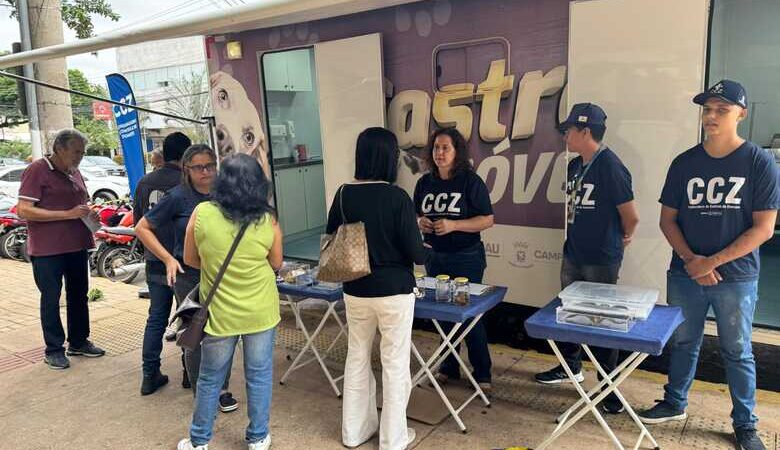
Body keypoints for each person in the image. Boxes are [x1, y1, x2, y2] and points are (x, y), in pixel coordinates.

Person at [638, 80, 779, 450]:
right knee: (684, 341)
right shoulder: (684, 163)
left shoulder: (758, 162)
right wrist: (691, 261)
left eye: (722, 109)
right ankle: (674, 402)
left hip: (736, 277)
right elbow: (667, 220)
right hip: (686, 273)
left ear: (741, 114)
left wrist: (710, 263)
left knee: (737, 350)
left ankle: (745, 424)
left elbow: (764, 228)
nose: (711, 116)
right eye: (707, 109)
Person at [533, 103, 639, 414]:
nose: (564, 135)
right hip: (574, 253)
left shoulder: (611, 166)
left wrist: (623, 239)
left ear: (585, 132)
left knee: (604, 321)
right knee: (570, 312)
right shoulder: (575, 165)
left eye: (568, 130)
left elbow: (631, 216)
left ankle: (608, 386)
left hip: (600, 258)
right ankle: (570, 366)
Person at [330, 128, 428, 450]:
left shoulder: (343, 194)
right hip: (395, 293)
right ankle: (392, 439)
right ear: (389, 158)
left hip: (355, 290)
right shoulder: (397, 197)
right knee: (394, 362)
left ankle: (354, 432)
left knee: (357, 357)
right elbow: (416, 253)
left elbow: (333, 239)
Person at [177, 153, 282, 450]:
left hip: (220, 313)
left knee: (210, 378)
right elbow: (276, 263)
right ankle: (258, 437)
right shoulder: (267, 219)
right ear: (259, 185)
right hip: (261, 311)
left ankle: (199, 441)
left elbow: (189, 259)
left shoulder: (202, 213)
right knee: (259, 375)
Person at [137, 145, 238, 411]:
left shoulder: (224, 194)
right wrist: (168, 258)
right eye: (198, 167)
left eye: (210, 165)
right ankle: (202, 392)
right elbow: (142, 227)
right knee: (195, 335)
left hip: (222, 275)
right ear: (187, 170)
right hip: (189, 276)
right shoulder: (177, 197)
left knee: (224, 333)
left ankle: (223, 388)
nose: (205, 172)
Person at [17, 129, 105, 370]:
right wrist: (65, 215)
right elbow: (24, 210)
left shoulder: (75, 172)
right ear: (60, 148)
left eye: (83, 152)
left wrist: (89, 212)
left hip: (76, 244)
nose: (80, 157)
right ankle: (54, 349)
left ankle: (78, 341)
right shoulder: (37, 170)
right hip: (48, 249)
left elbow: (80, 204)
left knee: (79, 294)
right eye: (77, 151)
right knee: (51, 298)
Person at [413, 127, 494, 390]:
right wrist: (420, 222)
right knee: (443, 314)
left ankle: (482, 373)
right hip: (435, 257)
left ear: (457, 151)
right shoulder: (424, 183)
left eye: (446, 147)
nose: (440, 153)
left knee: (469, 314)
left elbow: (487, 220)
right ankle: (449, 367)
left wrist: (454, 225)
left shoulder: (470, 181)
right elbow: (415, 215)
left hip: (466, 257)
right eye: (436, 147)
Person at [134, 132, 191, 395]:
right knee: (190, 318)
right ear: (185, 156)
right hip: (184, 264)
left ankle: (149, 374)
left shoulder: (144, 182)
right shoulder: (187, 183)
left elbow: (138, 222)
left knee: (156, 318)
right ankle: (189, 373)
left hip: (155, 261)